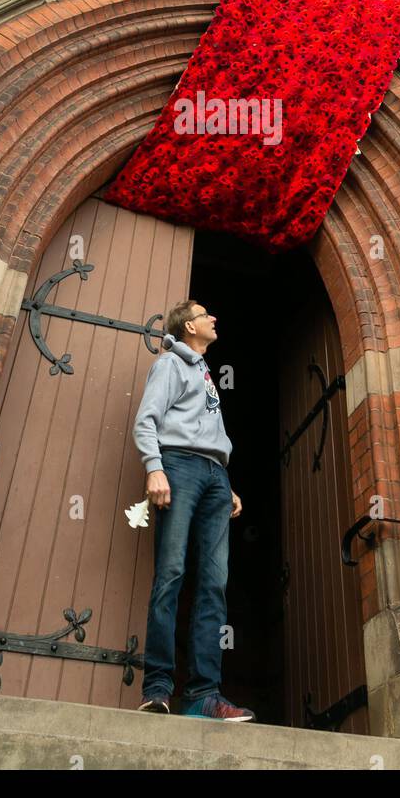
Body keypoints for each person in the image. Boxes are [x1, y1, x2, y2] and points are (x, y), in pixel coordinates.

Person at [132, 298, 255, 721]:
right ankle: (159, 688)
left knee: (213, 585)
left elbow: (210, 432)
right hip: (179, 466)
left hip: (214, 477)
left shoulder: (205, 374)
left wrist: (226, 482)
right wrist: (155, 468)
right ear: (188, 327)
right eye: (205, 314)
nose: (214, 318)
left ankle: (203, 695)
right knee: (170, 573)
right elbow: (147, 419)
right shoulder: (170, 364)